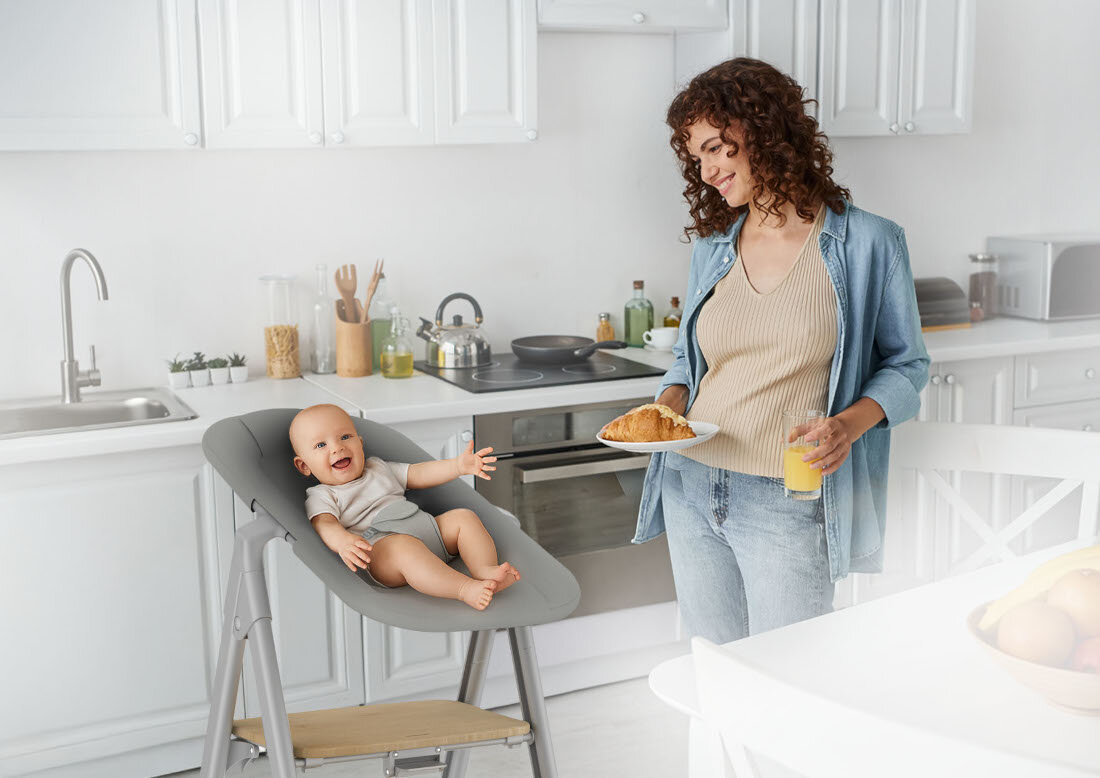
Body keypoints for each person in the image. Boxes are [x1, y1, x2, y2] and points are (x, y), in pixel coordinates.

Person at [633, 58, 930, 643]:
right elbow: (691, 364)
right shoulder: (716, 246)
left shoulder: (868, 242)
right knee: (714, 676)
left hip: (786, 495)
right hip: (691, 484)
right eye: (698, 157)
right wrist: (665, 407)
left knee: (791, 679)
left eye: (718, 147)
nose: (709, 169)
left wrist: (846, 425)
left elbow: (908, 366)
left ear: (764, 129)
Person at [289, 404, 520, 610]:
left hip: (425, 530)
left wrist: (458, 466)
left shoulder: (378, 467)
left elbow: (419, 473)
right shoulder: (322, 494)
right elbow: (324, 523)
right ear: (304, 466)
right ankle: (464, 589)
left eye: (345, 437)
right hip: (384, 552)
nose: (337, 448)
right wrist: (342, 542)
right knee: (403, 548)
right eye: (321, 444)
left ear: (360, 443)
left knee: (463, 518)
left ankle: (485, 571)